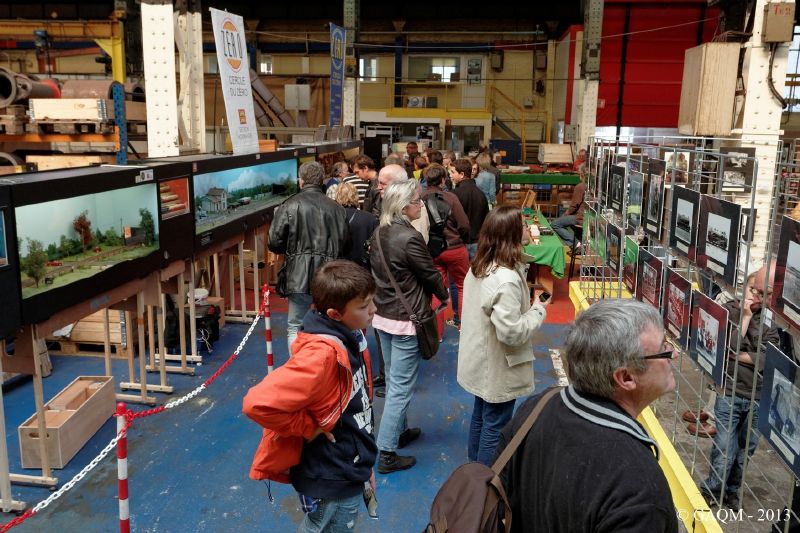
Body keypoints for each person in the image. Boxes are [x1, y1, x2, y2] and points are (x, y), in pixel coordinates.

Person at [496, 299, 679, 532]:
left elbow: (500, 495)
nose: (673, 355)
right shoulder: (640, 488)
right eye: (664, 349)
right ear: (626, 378)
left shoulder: (537, 407)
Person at [242, 260, 377, 533]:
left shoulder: (350, 336)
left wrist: (364, 464)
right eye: (364, 306)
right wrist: (309, 428)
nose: (374, 309)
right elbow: (256, 403)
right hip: (331, 473)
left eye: (372, 301)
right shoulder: (321, 355)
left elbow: (354, 407)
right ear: (334, 314)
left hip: (347, 465)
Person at [457, 205, 547, 465]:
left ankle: (475, 470)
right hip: (497, 365)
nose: (529, 229)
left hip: (480, 359)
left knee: (481, 414)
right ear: (513, 234)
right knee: (495, 423)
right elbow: (512, 332)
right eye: (524, 225)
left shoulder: (481, 266)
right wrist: (538, 310)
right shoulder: (505, 279)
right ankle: (486, 479)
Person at [369, 180, 449, 474]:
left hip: (383, 315)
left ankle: (398, 432)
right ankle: (387, 452)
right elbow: (429, 274)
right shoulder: (410, 238)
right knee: (400, 388)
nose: (421, 205)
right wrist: (444, 295)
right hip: (406, 319)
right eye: (417, 201)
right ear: (403, 207)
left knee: (393, 380)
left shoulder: (379, 232)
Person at [700, 264, 780, 511]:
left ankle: (732, 491)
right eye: (753, 289)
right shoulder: (730, 311)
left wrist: (739, 355)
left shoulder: (771, 321)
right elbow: (728, 347)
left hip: (757, 396)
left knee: (746, 451)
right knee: (725, 447)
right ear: (745, 286)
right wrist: (744, 319)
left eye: (763, 293)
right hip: (730, 392)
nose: (756, 296)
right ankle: (713, 488)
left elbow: (769, 359)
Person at [268, 161, 349, 350]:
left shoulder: (289, 205)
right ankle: (328, 362)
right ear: (322, 181)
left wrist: (293, 251)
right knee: (330, 325)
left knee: (295, 326)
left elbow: (274, 242)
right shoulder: (337, 209)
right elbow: (346, 244)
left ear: (301, 181)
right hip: (330, 275)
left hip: (299, 275)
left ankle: (299, 365)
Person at [421, 163, 470, 336]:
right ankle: (464, 327)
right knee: (463, 287)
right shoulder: (451, 198)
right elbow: (464, 225)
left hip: (432, 251)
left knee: (437, 290)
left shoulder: (419, 198)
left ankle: (437, 333)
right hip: (455, 248)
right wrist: (461, 240)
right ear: (443, 180)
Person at [451, 157, 489, 261]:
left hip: (460, 243)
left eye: (453, 172)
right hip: (477, 243)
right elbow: (486, 220)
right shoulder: (481, 194)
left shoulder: (454, 194)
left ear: (462, 174)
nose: (450, 175)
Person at [335, 182, 378, 267]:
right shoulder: (369, 218)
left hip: (341, 266)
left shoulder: (334, 217)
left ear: (337, 196)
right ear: (356, 196)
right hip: (364, 267)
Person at [550, 164, 587, 247]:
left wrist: (565, 214)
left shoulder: (580, 186)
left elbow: (573, 206)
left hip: (581, 217)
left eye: (579, 173)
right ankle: (576, 242)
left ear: (582, 174)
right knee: (563, 216)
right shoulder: (592, 186)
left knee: (555, 224)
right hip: (588, 217)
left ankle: (576, 243)